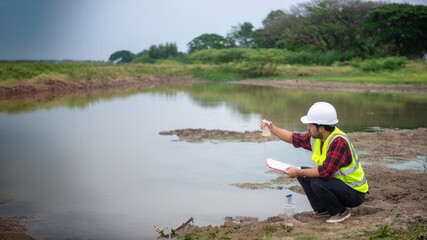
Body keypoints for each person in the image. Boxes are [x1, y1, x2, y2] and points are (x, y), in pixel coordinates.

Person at [260, 102, 368, 223]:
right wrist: (271, 128)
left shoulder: (339, 142)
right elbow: (292, 138)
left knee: (317, 181)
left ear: (321, 128)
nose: (308, 127)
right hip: (340, 185)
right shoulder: (318, 138)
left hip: (354, 193)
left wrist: (298, 171)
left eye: (311, 125)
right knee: (305, 174)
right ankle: (323, 210)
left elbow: (325, 172)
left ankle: (340, 212)